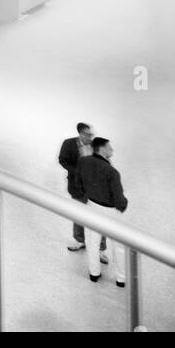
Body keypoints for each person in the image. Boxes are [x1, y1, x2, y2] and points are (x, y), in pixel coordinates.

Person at [77, 137, 128, 286]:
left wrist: (87, 196)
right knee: (118, 245)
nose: (112, 150)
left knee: (92, 241)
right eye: (109, 147)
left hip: (92, 207)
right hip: (110, 211)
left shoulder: (83, 161)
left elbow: (77, 182)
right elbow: (119, 198)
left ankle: (94, 273)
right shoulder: (112, 172)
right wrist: (123, 205)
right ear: (102, 149)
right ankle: (120, 278)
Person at [59, 122, 106, 255]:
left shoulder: (96, 146)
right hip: (77, 186)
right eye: (87, 134)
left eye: (91, 134)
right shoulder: (68, 144)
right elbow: (63, 160)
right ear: (80, 134)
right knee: (78, 214)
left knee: (99, 219)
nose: (90, 137)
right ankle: (80, 241)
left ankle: (101, 249)